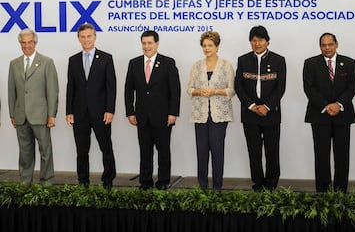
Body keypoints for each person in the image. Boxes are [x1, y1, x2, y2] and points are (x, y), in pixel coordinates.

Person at [125, 30, 181, 190]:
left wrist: (173, 113)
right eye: (144, 43)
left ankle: (163, 182)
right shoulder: (134, 63)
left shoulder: (168, 63)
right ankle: (145, 182)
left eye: (150, 43)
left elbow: (175, 90)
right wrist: (130, 111)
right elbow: (128, 89)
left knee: (164, 152)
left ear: (157, 43)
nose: (146, 46)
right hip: (142, 116)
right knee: (145, 151)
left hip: (163, 117)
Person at [303, 32, 355, 193]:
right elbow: (309, 88)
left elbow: (352, 87)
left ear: (336, 44)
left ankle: (341, 191)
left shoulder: (349, 63)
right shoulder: (310, 63)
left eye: (330, 44)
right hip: (319, 115)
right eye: (323, 45)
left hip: (343, 115)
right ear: (320, 46)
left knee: (342, 156)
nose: (327, 48)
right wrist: (326, 106)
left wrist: (338, 104)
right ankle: (322, 192)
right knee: (321, 156)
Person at [235, 25, 286, 191]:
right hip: (250, 114)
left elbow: (280, 88)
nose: (257, 43)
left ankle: (271, 184)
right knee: (254, 152)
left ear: (267, 41)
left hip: (271, 114)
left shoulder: (279, 60)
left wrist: (267, 106)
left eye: (260, 40)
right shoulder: (243, 60)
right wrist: (251, 106)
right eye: (254, 40)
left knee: (272, 151)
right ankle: (257, 183)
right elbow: (239, 86)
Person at [66, 23, 117, 189]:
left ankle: (108, 180)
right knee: (81, 151)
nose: (86, 39)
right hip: (80, 114)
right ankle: (83, 181)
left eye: (89, 36)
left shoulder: (106, 58)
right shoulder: (73, 60)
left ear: (94, 37)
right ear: (79, 39)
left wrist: (110, 110)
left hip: (101, 113)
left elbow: (111, 87)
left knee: (106, 148)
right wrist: (69, 111)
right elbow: (70, 87)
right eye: (83, 37)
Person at [8, 29, 58, 185]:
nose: (27, 45)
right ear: (20, 43)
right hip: (21, 116)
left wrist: (51, 115)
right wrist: (12, 114)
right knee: (25, 153)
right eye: (23, 42)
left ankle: (47, 182)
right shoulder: (14, 64)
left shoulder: (47, 62)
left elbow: (52, 91)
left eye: (30, 42)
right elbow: (11, 91)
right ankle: (25, 182)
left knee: (45, 151)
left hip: (40, 115)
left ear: (35, 43)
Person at [187, 31, 235, 191]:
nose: (207, 48)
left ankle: (217, 188)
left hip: (219, 116)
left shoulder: (226, 65)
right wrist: (199, 91)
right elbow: (189, 89)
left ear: (217, 46)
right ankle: (202, 186)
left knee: (217, 152)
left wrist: (215, 91)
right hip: (200, 115)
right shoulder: (196, 65)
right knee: (201, 153)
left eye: (210, 45)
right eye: (204, 45)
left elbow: (231, 91)